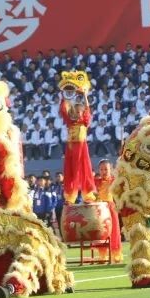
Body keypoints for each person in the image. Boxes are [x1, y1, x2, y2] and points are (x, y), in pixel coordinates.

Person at [58, 71, 96, 203]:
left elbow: (87, 109)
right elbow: (63, 109)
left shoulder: (84, 121)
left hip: (82, 147)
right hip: (70, 148)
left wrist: (85, 95)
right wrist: (65, 94)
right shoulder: (69, 122)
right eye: (74, 111)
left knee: (85, 169)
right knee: (70, 171)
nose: (76, 114)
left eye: (78, 112)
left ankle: (88, 195)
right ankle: (70, 197)